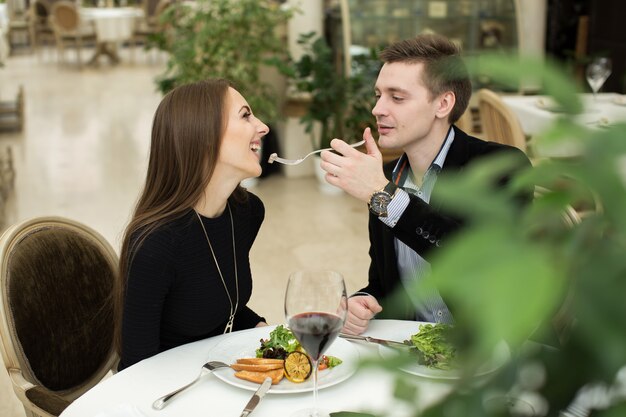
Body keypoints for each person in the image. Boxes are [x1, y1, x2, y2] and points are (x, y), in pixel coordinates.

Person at [320, 34, 532, 335]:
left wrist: (382, 195)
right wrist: (362, 302)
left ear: (443, 103)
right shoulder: (386, 179)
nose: (378, 109)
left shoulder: (501, 167)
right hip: (415, 354)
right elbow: (385, 285)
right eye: (378, 95)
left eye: (397, 97)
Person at [116, 79, 269, 370]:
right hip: (168, 392)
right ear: (204, 136)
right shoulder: (156, 244)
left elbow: (218, 301)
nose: (263, 127)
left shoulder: (247, 213)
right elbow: (136, 368)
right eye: (246, 115)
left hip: (218, 372)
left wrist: (258, 325)